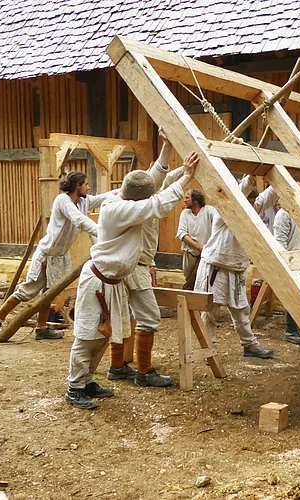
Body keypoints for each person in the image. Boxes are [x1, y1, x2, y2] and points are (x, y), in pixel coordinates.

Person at [0, 171, 114, 342]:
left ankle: (41, 328)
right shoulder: (63, 200)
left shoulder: (83, 201)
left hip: (60, 256)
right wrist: (103, 234)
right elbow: (80, 221)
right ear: (78, 186)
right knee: (28, 290)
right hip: (47, 255)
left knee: (50, 293)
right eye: (86, 184)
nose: (89, 187)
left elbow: (107, 196)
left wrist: (133, 187)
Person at [108, 132, 185, 385]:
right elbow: (163, 197)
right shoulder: (137, 208)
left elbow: (160, 174)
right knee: (149, 317)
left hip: (124, 267)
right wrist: (190, 175)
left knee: (119, 317)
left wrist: (167, 143)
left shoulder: (128, 195)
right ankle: (144, 372)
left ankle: (117, 367)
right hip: (134, 267)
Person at [194, 175, 277, 359]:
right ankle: (209, 350)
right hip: (216, 267)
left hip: (237, 268)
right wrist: (249, 180)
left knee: (241, 310)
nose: (252, 204)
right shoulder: (224, 210)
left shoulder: (251, 210)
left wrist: (282, 180)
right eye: (249, 200)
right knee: (210, 311)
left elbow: (268, 197)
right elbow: (236, 195)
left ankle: (249, 345)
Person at [272, 207, 300, 345]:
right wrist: (286, 262)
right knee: (294, 296)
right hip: (293, 260)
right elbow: (279, 241)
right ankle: (291, 330)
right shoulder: (283, 214)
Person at [176, 188, 216, 291]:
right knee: (189, 278)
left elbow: (219, 222)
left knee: (203, 280)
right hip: (190, 253)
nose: (184, 200)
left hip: (206, 253)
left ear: (196, 200)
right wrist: (198, 246)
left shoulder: (209, 211)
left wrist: (208, 247)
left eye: (187, 197)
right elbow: (182, 233)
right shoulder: (185, 214)